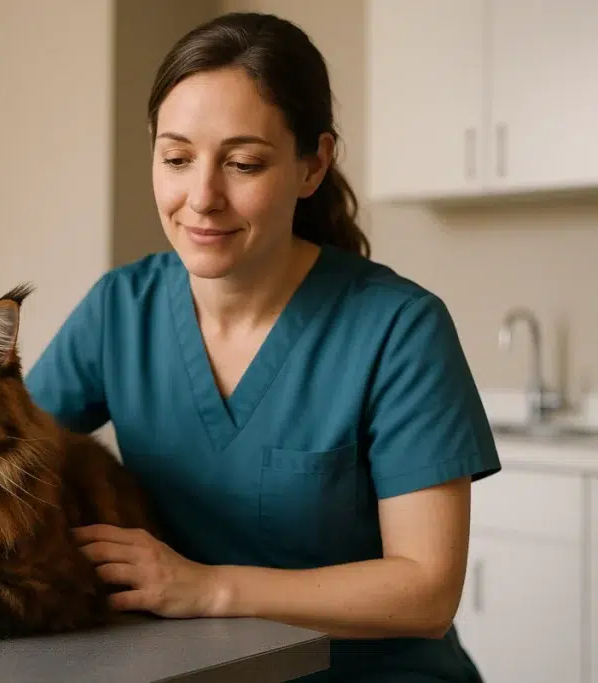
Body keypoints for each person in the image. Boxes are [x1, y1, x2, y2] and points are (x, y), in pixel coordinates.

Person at [24, 10, 501, 683]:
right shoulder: (118, 310)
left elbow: (426, 590)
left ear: (313, 165)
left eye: (243, 162)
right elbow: (1, 462)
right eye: (177, 158)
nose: (202, 197)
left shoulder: (400, 328)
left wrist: (209, 586)